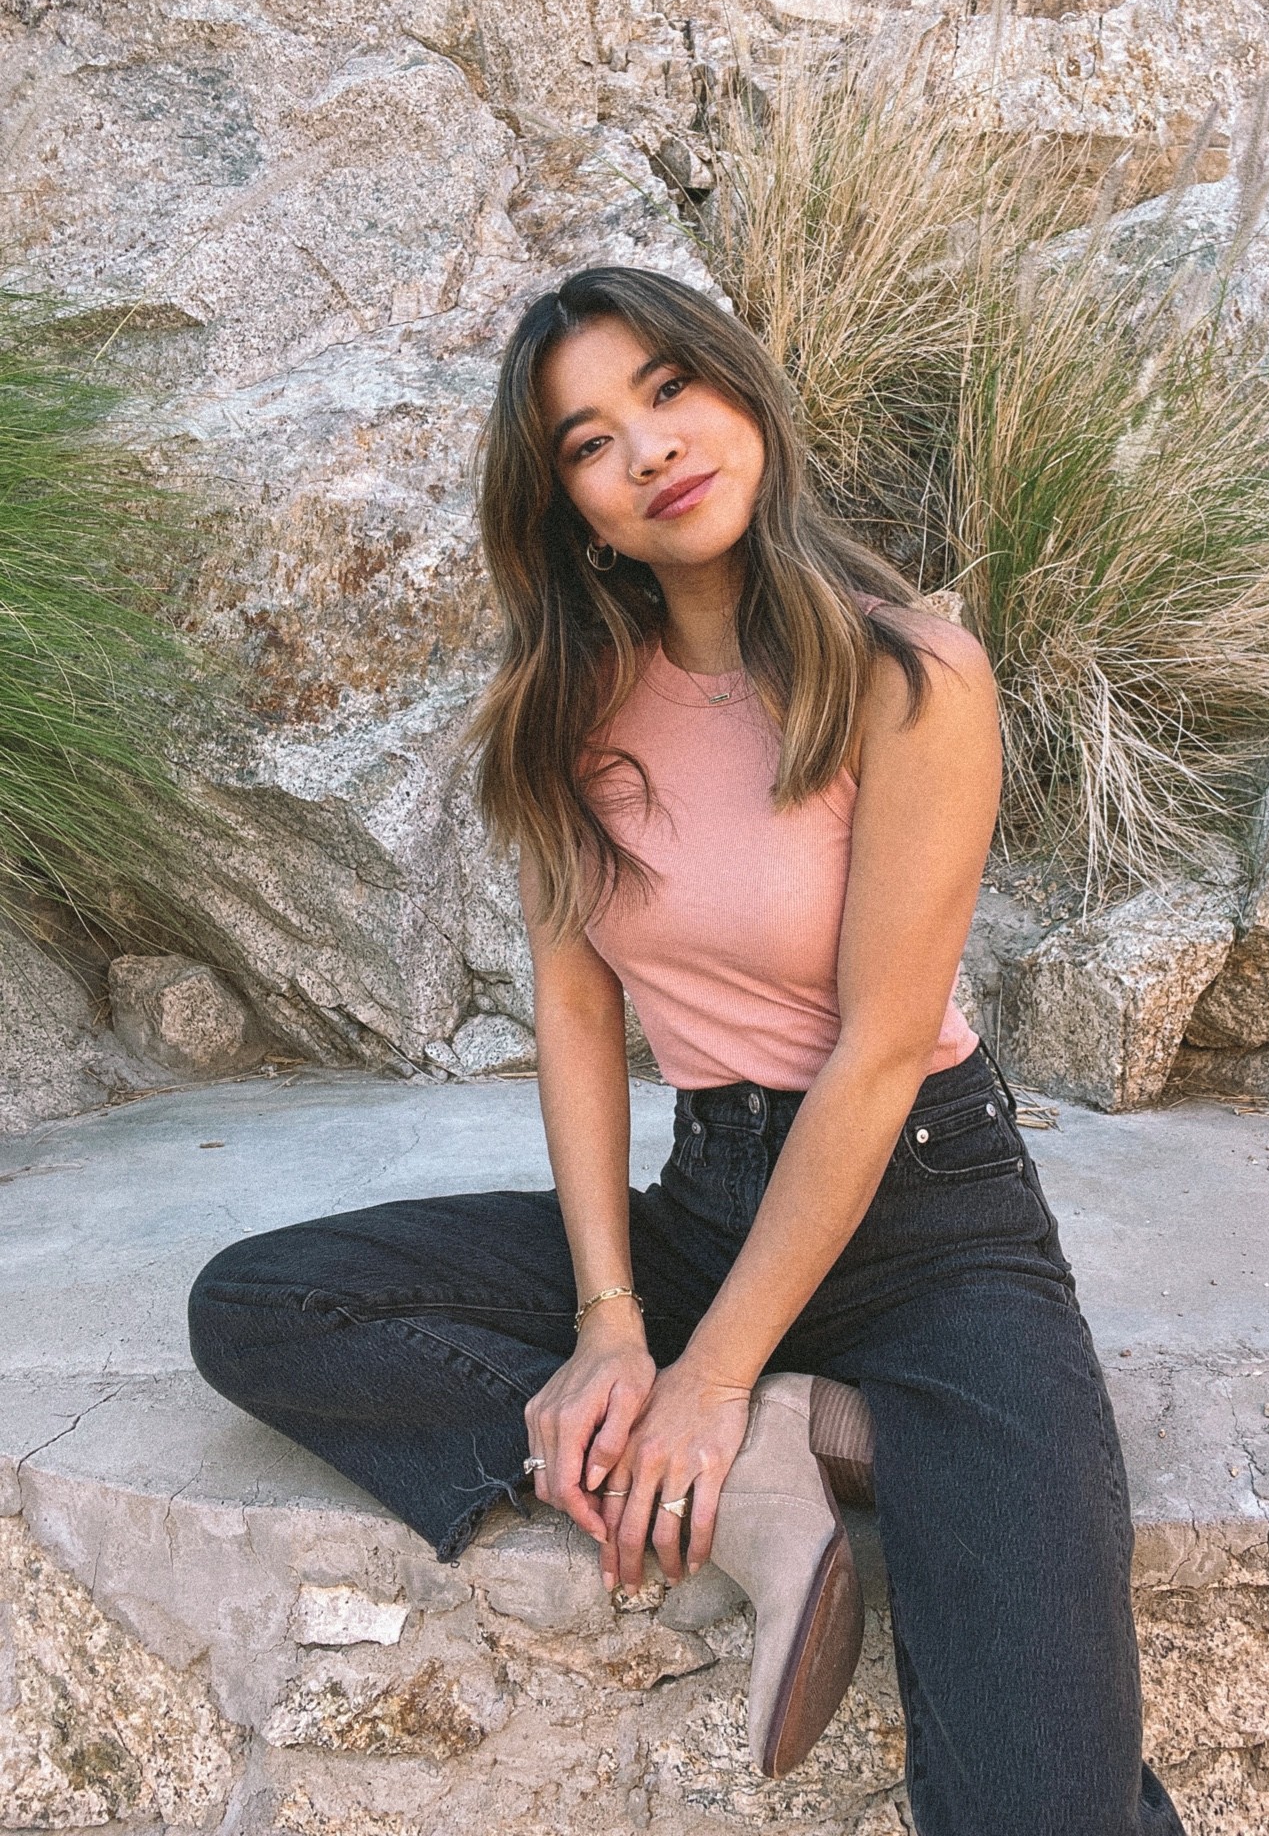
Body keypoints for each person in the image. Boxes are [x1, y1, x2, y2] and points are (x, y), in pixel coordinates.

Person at [188, 265, 1185, 1835]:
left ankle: (802, 1405)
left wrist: (710, 1377)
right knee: (262, 1304)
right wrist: (608, 1323)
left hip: (931, 1222)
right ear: (573, 509)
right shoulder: (560, 710)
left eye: (666, 389)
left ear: (740, 394)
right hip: (710, 1200)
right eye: (589, 441)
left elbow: (873, 1055)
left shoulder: (911, 676)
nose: (648, 448)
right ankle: (775, 1479)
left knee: (1041, 1806)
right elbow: (579, 1007)